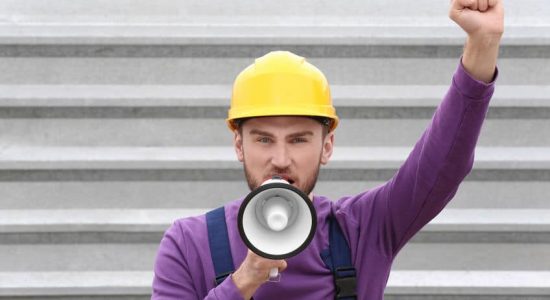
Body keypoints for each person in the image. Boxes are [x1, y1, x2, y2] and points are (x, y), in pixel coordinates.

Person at [151, 0, 504, 299]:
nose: (280, 159)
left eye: (299, 139)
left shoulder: (363, 228)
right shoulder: (188, 244)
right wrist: (244, 280)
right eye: (263, 139)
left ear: (327, 145)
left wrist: (483, 42)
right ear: (238, 145)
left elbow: (443, 165)